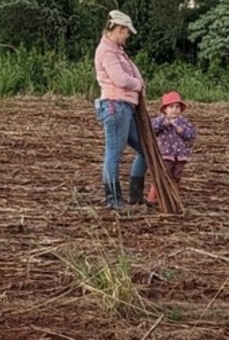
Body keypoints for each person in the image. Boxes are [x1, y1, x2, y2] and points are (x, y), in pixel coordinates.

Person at [94, 9, 147, 210]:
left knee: (145, 150)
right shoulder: (107, 51)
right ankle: (114, 200)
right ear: (119, 29)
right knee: (114, 154)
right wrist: (138, 85)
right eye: (126, 32)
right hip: (115, 106)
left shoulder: (117, 51)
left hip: (125, 107)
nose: (128, 36)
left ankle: (135, 196)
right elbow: (120, 79)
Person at [146, 91, 198, 207]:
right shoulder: (161, 121)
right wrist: (164, 124)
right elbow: (152, 129)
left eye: (177, 107)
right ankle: (153, 197)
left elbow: (192, 135)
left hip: (180, 155)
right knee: (162, 175)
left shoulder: (183, 122)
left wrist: (182, 131)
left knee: (176, 176)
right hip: (166, 154)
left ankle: (174, 197)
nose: (175, 110)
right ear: (165, 109)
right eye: (171, 107)